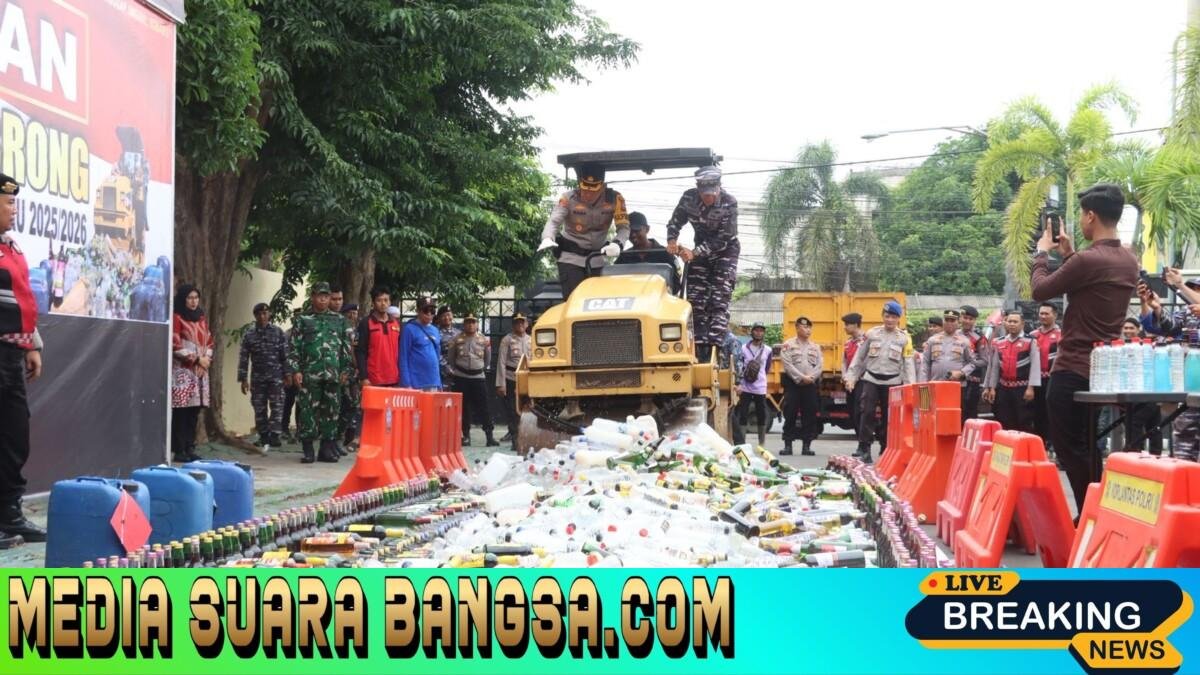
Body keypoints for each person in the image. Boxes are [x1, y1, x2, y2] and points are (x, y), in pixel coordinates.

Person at [1033, 183, 1139, 510]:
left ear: (1091, 216)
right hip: (1104, 369)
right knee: (1088, 444)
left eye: (1081, 215)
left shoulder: (1088, 260)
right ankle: (1094, 511)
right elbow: (1089, 285)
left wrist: (1042, 253)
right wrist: (1069, 255)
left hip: (1073, 367)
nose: (1080, 221)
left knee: (1069, 447)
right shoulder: (1128, 260)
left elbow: (1040, 290)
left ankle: (1091, 510)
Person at [0, 173, 46, 545]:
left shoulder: (11, 247)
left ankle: (9, 515)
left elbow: (24, 300)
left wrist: (32, 345)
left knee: (14, 435)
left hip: (12, 355)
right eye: (8, 202)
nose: (14, 209)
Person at [666, 166, 739, 362]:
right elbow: (675, 222)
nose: (709, 198)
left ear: (718, 188)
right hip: (700, 252)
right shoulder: (688, 198)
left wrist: (695, 252)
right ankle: (699, 347)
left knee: (718, 300)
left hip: (725, 252)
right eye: (705, 195)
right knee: (696, 300)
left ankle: (716, 348)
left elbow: (724, 238)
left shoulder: (729, 203)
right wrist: (672, 241)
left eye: (712, 194)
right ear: (698, 189)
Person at [538, 162, 630, 299]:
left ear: (602, 186)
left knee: (597, 301)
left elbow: (624, 227)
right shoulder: (567, 198)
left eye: (593, 190)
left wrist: (618, 243)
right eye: (585, 189)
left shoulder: (615, 199)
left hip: (597, 259)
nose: (588, 194)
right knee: (574, 300)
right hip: (571, 258)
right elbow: (554, 221)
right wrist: (547, 237)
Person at [288, 282, 353, 464]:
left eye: (326, 296)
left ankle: (326, 449)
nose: (323, 299)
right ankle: (308, 449)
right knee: (308, 411)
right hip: (310, 374)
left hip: (333, 374)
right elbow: (294, 347)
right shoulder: (303, 319)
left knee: (331, 411)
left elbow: (346, 347)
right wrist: (295, 370)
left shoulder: (339, 320)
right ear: (313, 297)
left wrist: (346, 369)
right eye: (319, 296)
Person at [1139, 269, 1200, 461]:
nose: (1194, 293)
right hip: (1192, 383)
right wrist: (1156, 307)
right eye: (1193, 288)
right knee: (1184, 438)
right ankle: (1184, 474)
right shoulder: (1188, 313)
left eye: (1198, 290)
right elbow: (1168, 328)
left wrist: (1179, 284)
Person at [845, 301, 915, 463]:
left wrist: (910, 385)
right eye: (887, 316)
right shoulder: (872, 334)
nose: (890, 320)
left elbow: (908, 363)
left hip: (893, 382)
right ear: (883, 316)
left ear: (898, 319)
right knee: (866, 413)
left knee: (889, 417)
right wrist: (851, 377)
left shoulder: (904, 338)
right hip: (871, 379)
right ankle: (864, 448)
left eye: (893, 317)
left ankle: (886, 448)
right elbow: (860, 356)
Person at [170, 284, 213, 463]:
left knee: (194, 412)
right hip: (183, 372)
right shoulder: (177, 317)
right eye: (190, 298)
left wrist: (206, 360)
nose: (193, 301)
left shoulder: (201, 318)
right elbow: (175, 345)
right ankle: (179, 449)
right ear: (183, 299)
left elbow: (209, 342)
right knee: (182, 412)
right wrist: (196, 359)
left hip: (200, 372)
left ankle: (190, 447)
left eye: (196, 297)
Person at [237, 302, 288, 450]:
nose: (262, 316)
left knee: (277, 405)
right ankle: (264, 435)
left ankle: (275, 435)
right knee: (259, 407)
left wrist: (288, 373)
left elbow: (285, 355)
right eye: (259, 314)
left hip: (276, 376)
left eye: (265, 313)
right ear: (255, 316)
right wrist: (243, 379)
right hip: (258, 378)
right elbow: (244, 358)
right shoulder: (249, 335)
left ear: (269, 314)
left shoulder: (278, 332)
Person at [983, 310, 1040, 432]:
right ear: (1005, 323)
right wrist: (991, 388)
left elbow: (1035, 366)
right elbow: (994, 367)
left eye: (1015, 322)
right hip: (1003, 389)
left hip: (1022, 389)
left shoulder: (1030, 341)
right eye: (1009, 321)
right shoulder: (998, 342)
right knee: (1003, 420)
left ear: (1022, 324)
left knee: (1023, 421)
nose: (1012, 324)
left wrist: (1031, 388)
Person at [449, 314, 497, 446]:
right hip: (461, 377)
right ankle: (465, 435)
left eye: (473, 322)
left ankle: (489, 436)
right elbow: (451, 358)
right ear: (464, 324)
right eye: (468, 322)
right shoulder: (456, 339)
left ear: (477, 324)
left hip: (478, 377)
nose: (470, 325)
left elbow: (487, 359)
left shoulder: (484, 340)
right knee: (463, 407)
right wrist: (458, 370)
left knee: (484, 407)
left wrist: (479, 368)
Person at [1120, 317, 1164, 455]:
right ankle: (1144, 454)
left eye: (1131, 328)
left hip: (1148, 392)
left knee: (1138, 424)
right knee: (1150, 425)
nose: (1128, 331)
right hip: (1129, 393)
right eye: (1125, 328)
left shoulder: (1147, 346)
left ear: (1138, 329)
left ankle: (1136, 453)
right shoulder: (1120, 347)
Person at [780, 317, 822, 456]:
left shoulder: (815, 347)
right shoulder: (788, 345)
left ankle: (806, 446)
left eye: (809, 327)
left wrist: (811, 378)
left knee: (809, 415)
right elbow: (787, 365)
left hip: (810, 385)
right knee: (790, 413)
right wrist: (801, 377)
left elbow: (819, 366)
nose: (808, 330)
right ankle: (788, 445)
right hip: (793, 384)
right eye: (804, 327)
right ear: (797, 328)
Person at [920, 311, 976, 405]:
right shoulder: (932, 340)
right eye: (947, 320)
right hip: (935, 384)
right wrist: (923, 384)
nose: (949, 323)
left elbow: (972, 363)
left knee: (953, 412)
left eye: (952, 320)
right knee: (935, 411)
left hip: (956, 386)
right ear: (943, 322)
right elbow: (925, 363)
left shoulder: (965, 341)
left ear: (958, 322)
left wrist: (962, 373)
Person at [496, 312, 531, 451]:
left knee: (529, 410)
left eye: (522, 322)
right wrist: (501, 384)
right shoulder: (507, 340)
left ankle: (528, 438)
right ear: (513, 324)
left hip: (528, 379)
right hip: (511, 378)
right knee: (513, 411)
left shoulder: (532, 340)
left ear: (527, 324)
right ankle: (516, 439)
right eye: (517, 322)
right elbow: (501, 362)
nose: (520, 324)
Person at [736, 322, 773, 447]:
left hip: (760, 387)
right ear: (752, 332)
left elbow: (767, 368)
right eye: (756, 330)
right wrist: (739, 383)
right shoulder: (743, 348)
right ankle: (742, 443)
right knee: (743, 413)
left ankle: (761, 443)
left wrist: (759, 377)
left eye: (761, 331)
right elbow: (739, 366)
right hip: (745, 386)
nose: (758, 333)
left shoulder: (768, 350)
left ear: (764, 333)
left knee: (761, 414)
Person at [356, 287, 401, 387]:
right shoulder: (365, 323)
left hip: (394, 378)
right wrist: (363, 377)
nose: (383, 303)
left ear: (390, 302)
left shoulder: (396, 323)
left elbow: (401, 351)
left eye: (386, 300)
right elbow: (360, 351)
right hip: (373, 379)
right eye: (379, 300)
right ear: (373, 303)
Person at [1031, 302, 1061, 445]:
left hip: (1054, 380)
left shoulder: (1062, 335)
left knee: (1053, 412)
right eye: (1041, 313)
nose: (1043, 316)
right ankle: (1040, 444)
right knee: (1037, 412)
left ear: (1055, 315)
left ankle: (1053, 444)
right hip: (1035, 380)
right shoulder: (1032, 335)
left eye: (1046, 314)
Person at [400, 296, 443, 391]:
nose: (429, 314)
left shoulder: (435, 330)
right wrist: (406, 383)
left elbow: (437, 357)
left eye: (432, 311)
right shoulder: (409, 329)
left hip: (433, 381)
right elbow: (403, 357)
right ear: (418, 311)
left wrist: (439, 382)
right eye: (425, 310)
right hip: (416, 383)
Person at [959, 305, 989, 421]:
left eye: (970, 319)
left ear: (975, 320)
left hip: (972, 381)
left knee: (969, 413)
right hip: (955, 380)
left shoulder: (979, 337)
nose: (967, 321)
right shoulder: (954, 334)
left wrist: (969, 365)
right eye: (965, 318)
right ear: (960, 318)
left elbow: (985, 360)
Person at [339, 303, 361, 453]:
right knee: (344, 404)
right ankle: (340, 435)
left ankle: (350, 435)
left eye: (355, 313)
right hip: (344, 371)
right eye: (350, 313)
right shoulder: (342, 329)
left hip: (354, 373)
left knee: (354, 404)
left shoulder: (357, 330)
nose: (353, 316)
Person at [842, 313, 866, 436]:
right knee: (851, 409)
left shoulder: (865, 341)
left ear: (856, 325)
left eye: (847, 324)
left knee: (859, 409)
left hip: (862, 380)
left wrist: (854, 378)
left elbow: (864, 363)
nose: (844, 327)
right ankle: (859, 435)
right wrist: (845, 377)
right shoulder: (848, 343)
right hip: (849, 381)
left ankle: (863, 438)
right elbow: (844, 361)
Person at [435, 306, 459, 384]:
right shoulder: (435, 332)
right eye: (444, 316)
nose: (447, 318)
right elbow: (436, 353)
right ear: (439, 318)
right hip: (441, 373)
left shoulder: (459, 333)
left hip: (458, 373)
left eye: (449, 315)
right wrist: (446, 368)